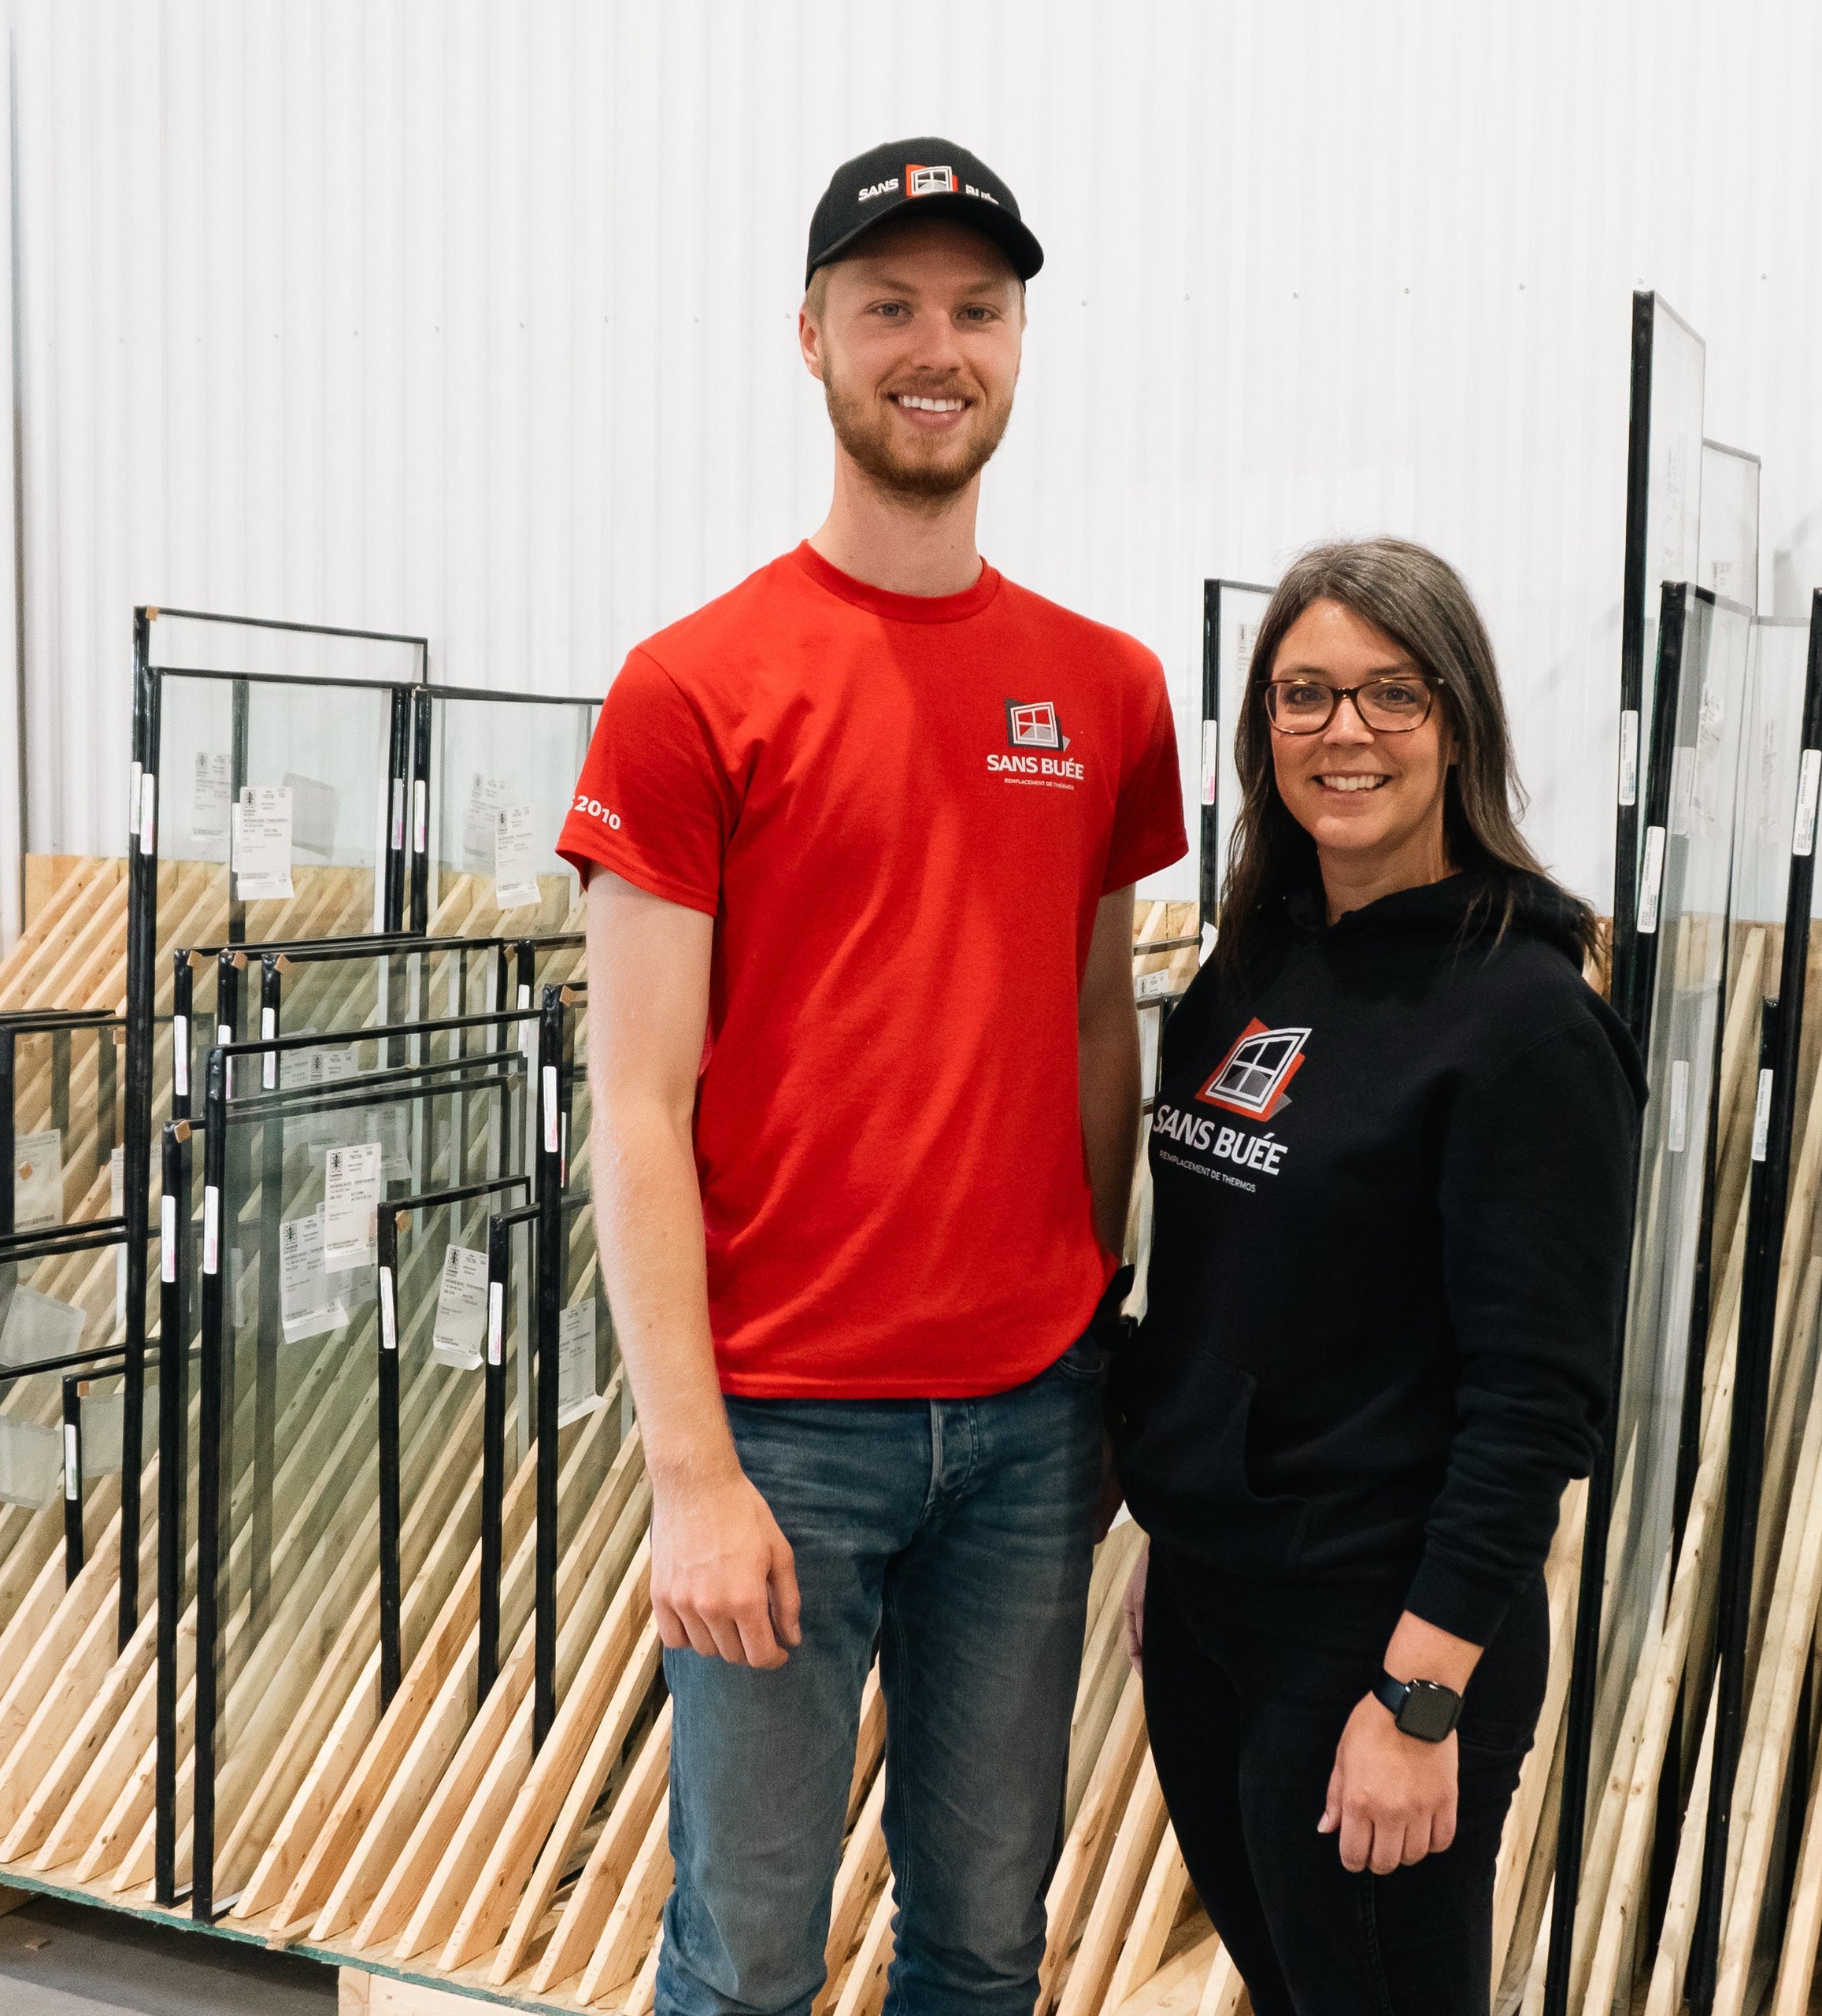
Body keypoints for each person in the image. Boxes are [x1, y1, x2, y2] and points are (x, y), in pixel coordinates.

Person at [554, 137, 1183, 2016]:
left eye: (976, 310)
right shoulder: (693, 689)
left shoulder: (1107, 689)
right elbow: (638, 1103)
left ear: (1017, 344)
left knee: (985, 1941)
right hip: (783, 1430)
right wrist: (690, 1472)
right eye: (891, 305)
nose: (938, 345)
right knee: (744, 1954)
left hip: (1025, 1424)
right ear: (811, 334)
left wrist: (1084, 1329)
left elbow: (1093, 1029)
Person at [1115, 538, 1644, 2014]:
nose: (1345, 732)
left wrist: (1421, 1700)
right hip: (1219, 1612)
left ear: (1459, 722)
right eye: (1306, 695)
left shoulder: (1525, 1026)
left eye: (1391, 694)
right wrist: (1188, 1518)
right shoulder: (1250, 972)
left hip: (1382, 1638)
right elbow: (1222, 1294)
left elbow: (1536, 1403)